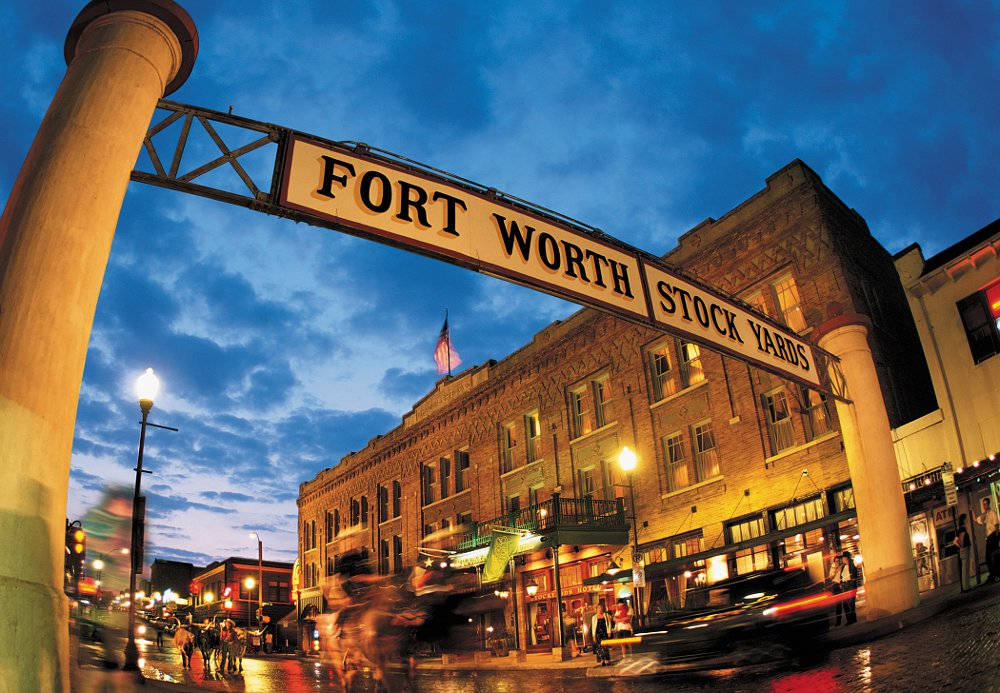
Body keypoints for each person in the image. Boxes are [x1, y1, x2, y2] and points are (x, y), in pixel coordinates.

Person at [828, 551, 859, 626]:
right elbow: (831, 577)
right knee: (843, 604)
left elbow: (855, 566)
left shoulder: (850, 564)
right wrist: (835, 569)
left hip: (849, 584)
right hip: (839, 586)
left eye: (840, 560)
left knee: (850, 603)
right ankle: (841, 621)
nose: (838, 561)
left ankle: (852, 619)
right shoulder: (836, 568)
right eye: (836, 561)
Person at [974, 496, 999, 581]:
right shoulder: (985, 515)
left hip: (993, 536)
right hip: (989, 537)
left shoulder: (992, 513)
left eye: (985, 504)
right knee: (989, 557)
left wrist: (997, 537)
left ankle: (995, 574)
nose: (984, 506)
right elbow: (977, 520)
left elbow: (996, 525)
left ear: (988, 504)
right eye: (983, 504)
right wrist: (972, 511)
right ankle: (993, 573)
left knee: (991, 556)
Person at [954, 514, 973, 591]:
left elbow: (955, 542)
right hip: (965, 549)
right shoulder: (962, 529)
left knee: (965, 567)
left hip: (963, 549)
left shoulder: (960, 529)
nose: (967, 520)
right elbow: (961, 539)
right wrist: (962, 547)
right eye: (966, 519)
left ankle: (966, 586)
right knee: (965, 568)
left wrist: (959, 547)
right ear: (964, 520)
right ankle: (966, 587)